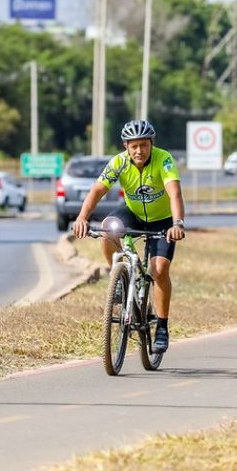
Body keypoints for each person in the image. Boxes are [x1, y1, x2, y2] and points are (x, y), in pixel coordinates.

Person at [73, 120, 186, 353]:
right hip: (133, 213)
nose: (139, 151)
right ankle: (118, 279)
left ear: (151, 144)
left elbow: (174, 193)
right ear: (126, 146)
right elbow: (97, 190)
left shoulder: (163, 160)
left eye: (143, 145)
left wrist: (177, 223)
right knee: (108, 228)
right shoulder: (119, 162)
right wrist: (82, 218)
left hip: (163, 220)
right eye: (133, 146)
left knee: (159, 270)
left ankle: (162, 327)